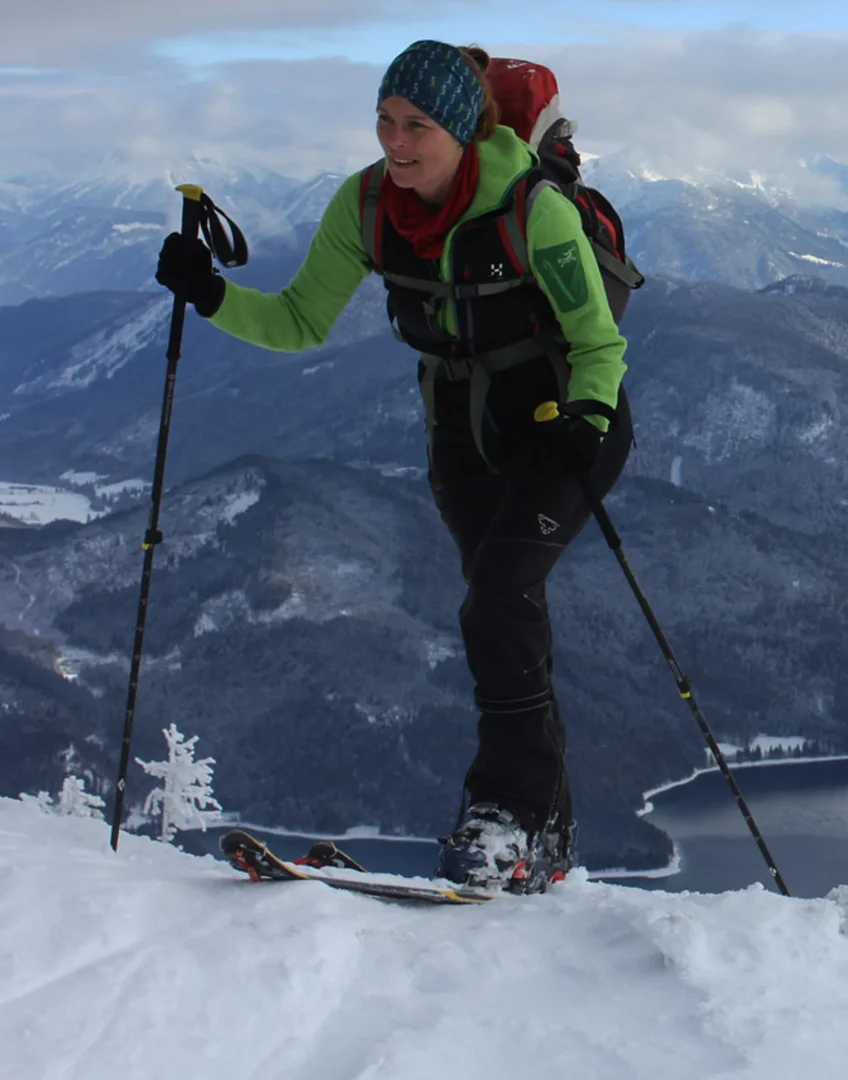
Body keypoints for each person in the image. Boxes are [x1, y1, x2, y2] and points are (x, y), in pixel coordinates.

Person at [154, 40, 634, 893]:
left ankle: (501, 817)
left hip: (564, 425)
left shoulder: (532, 209)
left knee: (497, 603)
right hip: (462, 433)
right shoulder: (367, 206)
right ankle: (543, 840)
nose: (395, 141)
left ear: (463, 127)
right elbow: (301, 321)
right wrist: (210, 292)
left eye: (416, 125)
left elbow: (598, 341)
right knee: (504, 616)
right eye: (384, 119)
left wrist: (588, 421)